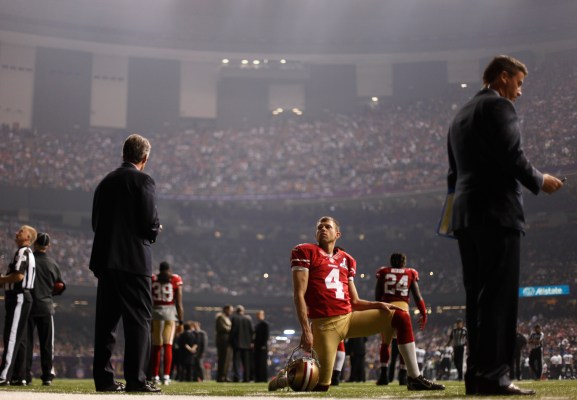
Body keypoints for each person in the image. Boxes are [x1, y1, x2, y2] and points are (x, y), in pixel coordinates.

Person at [446, 55, 564, 396]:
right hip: (497, 214)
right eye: (519, 82)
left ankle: (476, 376)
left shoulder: (460, 115)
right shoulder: (500, 108)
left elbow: (453, 174)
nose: (520, 91)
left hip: (465, 216)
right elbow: (513, 155)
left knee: (476, 298)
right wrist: (541, 180)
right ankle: (495, 376)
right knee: (498, 297)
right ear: (502, 77)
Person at [291, 216, 444, 391]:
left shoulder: (347, 259)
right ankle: (285, 379)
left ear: (337, 234)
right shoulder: (304, 251)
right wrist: (306, 330)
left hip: (349, 318)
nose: (323, 230)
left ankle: (414, 377)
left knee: (401, 316)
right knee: (321, 386)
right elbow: (299, 295)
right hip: (324, 326)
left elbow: (355, 301)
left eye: (327, 227)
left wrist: (378, 305)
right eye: (319, 228)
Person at [89, 133, 162, 393]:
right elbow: (148, 223)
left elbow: (96, 223)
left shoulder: (105, 182)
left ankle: (104, 380)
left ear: (124, 154)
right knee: (138, 322)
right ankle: (136, 380)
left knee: (106, 323)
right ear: (144, 158)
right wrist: (156, 229)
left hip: (106, 261)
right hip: (133, 262)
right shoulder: (144, 181)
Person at [374, 252, 428, 386]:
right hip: (403, 310)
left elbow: (377, 296)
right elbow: (418, 296)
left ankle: (383, 375)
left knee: (385, 343)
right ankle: (404, 376)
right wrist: (424, 313)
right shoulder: (410, 273)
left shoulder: (383, 272)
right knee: (404, 343)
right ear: (404, 262)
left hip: (386, 310)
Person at [26, 232, 66, 386]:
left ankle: (25, 375)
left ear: (35, 244)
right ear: (48, 246)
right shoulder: (52, 263)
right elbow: (60, 286)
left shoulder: (29, 261)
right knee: (47, 343)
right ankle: (47, 376)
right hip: (45, 306)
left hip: (29, 306)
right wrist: (49, 291)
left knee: (27, 342)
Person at [0, 225, 37, 386]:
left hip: (19, 297)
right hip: (21, 297)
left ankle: (3, 374)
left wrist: (1, 279)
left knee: (12, 336)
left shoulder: (23, 252)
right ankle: (18, 375)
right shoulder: (27, 253)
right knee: (19, 338)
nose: (17, 233)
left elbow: (18, 276)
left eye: (21, 231)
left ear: (28, 238)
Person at [150, 261, 183, 386]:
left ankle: (155, 376)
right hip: (169, 314)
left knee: (156, 346)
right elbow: (179, 303)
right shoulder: (175, 279)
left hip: (155, 313)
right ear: (169, 269)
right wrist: (181, 321)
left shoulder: (153, 278)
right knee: (167, 345)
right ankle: (166, 376)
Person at [230, 305, 254, 382]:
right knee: (246, 363)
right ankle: (246, 378)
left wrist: (231, 341)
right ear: (243, 311)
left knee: (236, 362)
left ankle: (236, 378)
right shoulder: (248, 318)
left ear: (236, 311)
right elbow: (252, 331)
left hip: (237, 344)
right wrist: (251, 342)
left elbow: (233, 331)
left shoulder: (234, 318)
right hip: (247, 344)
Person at [215, 304, 233, 382]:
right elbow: (222, 328)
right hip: (223, 341)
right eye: (230, 310)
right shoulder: (220, 317)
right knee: (223, 359)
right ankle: (220, 376)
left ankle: (224, 376)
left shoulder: (227, 318)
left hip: (228, 341)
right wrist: (233, 329)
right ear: (226, 309)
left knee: (227, 360)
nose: (231, 312)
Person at [253, 310, 269, 383]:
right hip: (257, 347)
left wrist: (263, 345)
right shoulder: (258, 325)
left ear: (263, 315)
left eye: (259, 315)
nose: (258, 316)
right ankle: (258, 378)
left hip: (262, 347)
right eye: (257, 315)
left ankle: (263, 378)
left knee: (262, 363)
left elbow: (266, 336)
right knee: (258, 363)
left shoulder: (264, 324)